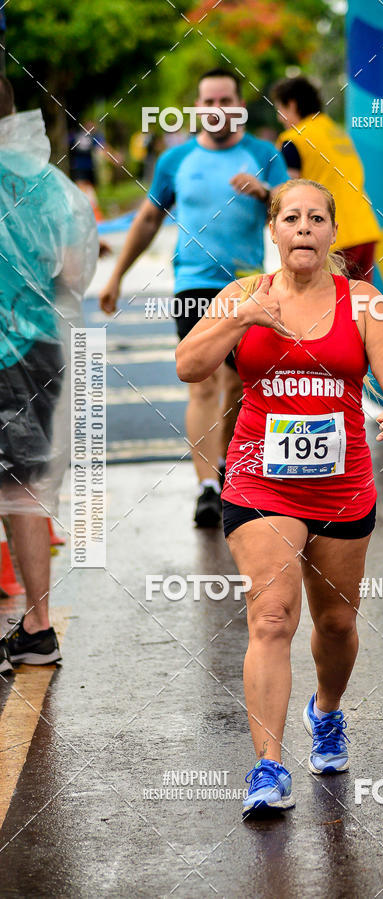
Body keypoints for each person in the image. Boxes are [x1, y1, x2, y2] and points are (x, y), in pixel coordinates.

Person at [176, 178, 383, 817]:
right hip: (260, 478)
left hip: (341, 485)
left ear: (332, 233)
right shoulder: (243, 294)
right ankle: (267, 766)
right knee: (272, 614)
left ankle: (328, 712)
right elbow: (189, 367)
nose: (304, 227)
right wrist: (239, 318)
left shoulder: (364, 302)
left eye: (317, 218)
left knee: (336, 622)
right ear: (275, 231)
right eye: (292, 217)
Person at [99, 69, 288, 528]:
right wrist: (116, 277)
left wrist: (264, 192)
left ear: (239, 106)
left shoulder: (263, 155)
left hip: (246, 284)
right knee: (202, 382)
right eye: (208, 102)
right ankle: (207, 488)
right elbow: (146, 219)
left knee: (237, 385)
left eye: (226, 100)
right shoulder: (176, 160)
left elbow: (292, 208)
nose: (217, 109)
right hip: (193, 284)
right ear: (197, 109)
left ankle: (227, 466)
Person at [0, 77, 98, 673]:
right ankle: (38, 626)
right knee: (24, 487)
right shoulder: (49, 184)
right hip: (40, 345)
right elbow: (73, 269)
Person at [271, 76, 381, 282]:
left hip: (332, 238)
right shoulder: (337, 133)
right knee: (358, 307)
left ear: (292, 105)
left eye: (280, 110)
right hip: (365, 231)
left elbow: (286, 194)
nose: (280, 118)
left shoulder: (294, 140)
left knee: (324, 308)